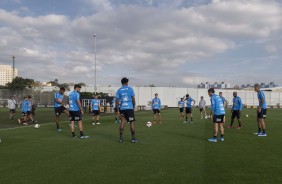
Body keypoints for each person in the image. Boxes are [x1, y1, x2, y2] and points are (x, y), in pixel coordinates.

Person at [116, 77, 137, 143]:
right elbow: (133, 99)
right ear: (127, 82)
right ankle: (133, 139)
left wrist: (118, 109)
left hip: (122, 108)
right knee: (132, 122)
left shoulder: (119, 90)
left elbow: (117, 100)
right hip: (129, 108)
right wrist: (133, 107)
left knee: (123, 122)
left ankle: (121, 139)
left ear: (122, 83)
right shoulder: (130, 89)